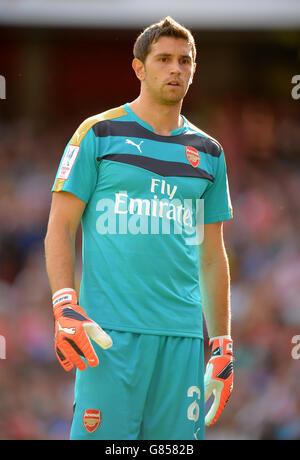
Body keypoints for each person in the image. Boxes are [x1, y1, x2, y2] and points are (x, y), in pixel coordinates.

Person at [44, 16, 233, 441]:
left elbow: (211, 255)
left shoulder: (209, 152)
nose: (176, 69)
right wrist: (63, 305)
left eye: (185, 61)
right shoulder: (97, 133)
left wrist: (221, 343)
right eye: (163, 59)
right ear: (139, 68)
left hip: (183, 339)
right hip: (108, 337)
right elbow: (60, 226)